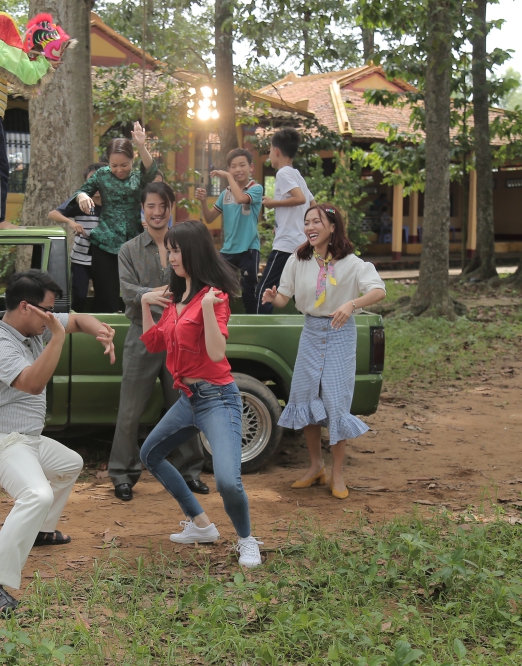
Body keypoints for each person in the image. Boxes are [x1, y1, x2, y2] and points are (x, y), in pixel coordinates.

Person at [0, 270, 116, 617]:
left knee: (70, 464)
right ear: (26, 307)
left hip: (28, 440)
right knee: (37, 494)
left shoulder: (34, 325)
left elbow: (78, 319)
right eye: (48, 310)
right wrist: (57, 339)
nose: (53, 317)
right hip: (0, 444)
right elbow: (32, 383)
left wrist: (100, 330)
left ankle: (39, 530)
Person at [138, 220, 262, 568]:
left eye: (177, 250)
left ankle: (247, 540)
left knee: (227, 481)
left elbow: (216, 352)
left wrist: (207, 308)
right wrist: (146, 304)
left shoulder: (215, 297)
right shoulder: (175, 298)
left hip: (218, 399)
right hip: (188, 399)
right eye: (170, 250)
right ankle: (201, 524)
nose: (171, 257)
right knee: (150, 454)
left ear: (193, 251)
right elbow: (154, 344)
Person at [261, 204, 386, 499]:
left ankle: (337, 474)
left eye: (316, 221)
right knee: (305, 399)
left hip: (340, 333)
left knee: (335, 402)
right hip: (311, 332)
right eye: (306, 222)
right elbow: (284, 298)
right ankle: (316, 466)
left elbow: (379, 290)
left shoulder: (352, 264)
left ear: (332, 227)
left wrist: (351, 304)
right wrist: (272, 297)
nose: (310, 227)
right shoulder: (298, 259)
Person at [110, 182, 207, 502]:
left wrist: (153, 294)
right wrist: (150, 294)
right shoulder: (128, 250)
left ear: (171, 208)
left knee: (186, 404)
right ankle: (122, 474)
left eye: (163, 205)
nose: (157, 212)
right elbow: (128, 292)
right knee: (129, 410)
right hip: (142, 333)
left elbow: (197, 283)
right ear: (142, 209)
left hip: (181, 334)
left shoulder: (184, 245)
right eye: (150, 206)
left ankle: (190, 472)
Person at [0, 13, 66, 231]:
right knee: (0, 167)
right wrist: (45, 61)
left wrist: (33, 57)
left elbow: (18, 65)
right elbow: (27, 74)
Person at [73, 126, 158, 312]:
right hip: (104, 243)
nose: (119, 170)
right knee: (106, 294)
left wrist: (141, 146)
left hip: (133, 242)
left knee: (136, 290)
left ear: (132, 160)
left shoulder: (139, 178)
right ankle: (106, 325)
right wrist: (83, 196)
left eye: (124, 165)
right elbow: (81, 191)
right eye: (114, 165)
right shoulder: (102, 175)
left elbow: (152, 171)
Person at [196, 148, 264, 313]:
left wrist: (227, 176)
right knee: (221, 289)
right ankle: (222, 320)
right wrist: (203, 201)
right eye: (233, 167)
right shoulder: (225, 194)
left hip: (249, 249)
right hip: (228, 250)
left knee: (248, 290)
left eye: (242, 165)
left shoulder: (256, 188)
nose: (238, 169)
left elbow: (241, 199)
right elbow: (209, 218)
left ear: (251, 167)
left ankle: (252, 321)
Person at [257, 127, 313, 315]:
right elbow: (312, 204)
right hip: (301, 243)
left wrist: (273, 203)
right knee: (300, 293)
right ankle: (314, 325)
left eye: (269, 151)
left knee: (263, 290)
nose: (269, 156)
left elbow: (300, 199)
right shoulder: (298, 175)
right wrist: (283, 224)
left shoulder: (283, 173)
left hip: (286, 245)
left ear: (276, 151)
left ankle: (259, 328)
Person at [47, 162, 106, 313]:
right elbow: (52, 214)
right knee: (79, 295)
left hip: (104, 259)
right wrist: (71, 222)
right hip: (81, 258)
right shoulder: (81, 202)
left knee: (103, 297)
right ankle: (74, 321)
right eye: (91, 180)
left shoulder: (112, 205)